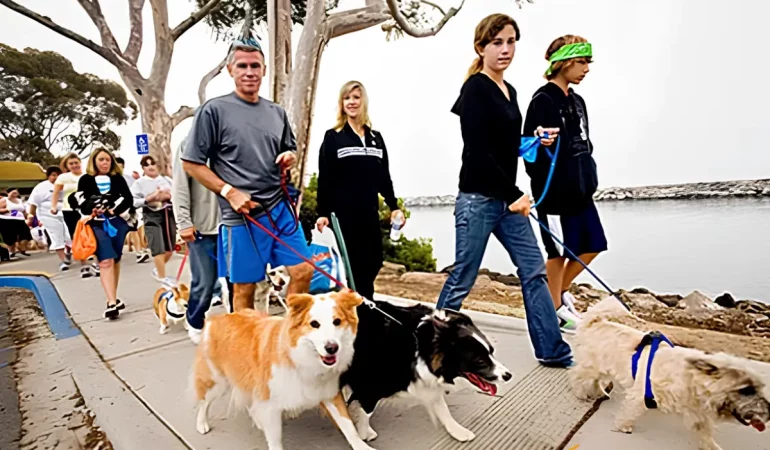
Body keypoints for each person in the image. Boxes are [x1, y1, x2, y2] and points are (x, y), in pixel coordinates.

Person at [434, 13, 573, 368]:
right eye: (497, 42)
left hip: (506, 201)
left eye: (511, 41)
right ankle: (428, 346)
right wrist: (514, 194)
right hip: (479, 200)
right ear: (481, 47)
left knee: (534, 271)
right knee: (463, 277)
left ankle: (553, 352)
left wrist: (535, 141)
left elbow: (506, 146)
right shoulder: (476, 89)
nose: (505, 49)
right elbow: (478, 155)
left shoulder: (510, 92)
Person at [182, 37, 312, 312]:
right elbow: (191, 164)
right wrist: (229, 192)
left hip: (280, 208)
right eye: (242, 66)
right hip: (242, 215)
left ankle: (292, 340)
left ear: (264, 70)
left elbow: (289, 148)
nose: (250, 72)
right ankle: (244, 350)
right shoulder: (214, 111)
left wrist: (289, 157)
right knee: (245, 289)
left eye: (256, 65)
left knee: (303, 271)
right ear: (230, 70)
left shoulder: (277, 112)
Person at [523, 35, 605, 334]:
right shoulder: (542, 100)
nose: (586, 69)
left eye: (588, 62)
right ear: (565, 62)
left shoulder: (578, 101)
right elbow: (526, 149)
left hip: (582, 192)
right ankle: (555, 309)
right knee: (557, 253)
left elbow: (584, 143)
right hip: (555, 193)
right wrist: (538, 142)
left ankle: (556, 295)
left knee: (594, 245)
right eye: (581, 62)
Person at [315, 80, 404, 300]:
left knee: (373, 262)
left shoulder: (376, 138)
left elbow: (384, 177)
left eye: (356, 97)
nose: (352, 102)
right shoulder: (333, 137)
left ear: (363, 101)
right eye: (347, 98)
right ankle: (360, 316)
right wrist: (323, 213)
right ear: (341, 103)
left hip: (369, 215)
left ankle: (363, 311)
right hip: (343, 217)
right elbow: (325, 179)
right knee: (352, 270)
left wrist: (393, 206)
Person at [173, 136, 224, 344]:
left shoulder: (233, 139)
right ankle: (195, 319)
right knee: (204, 282)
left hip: (234, 224)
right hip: (203, 226)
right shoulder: (189, 144)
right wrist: (184, 222)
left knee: (236, 283)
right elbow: (180, 186)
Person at [76, 148, 133, 319]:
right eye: (101, 159)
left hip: (116, 223)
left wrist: (114, 209)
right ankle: (111, 303)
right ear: (94, 161)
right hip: (95, 224)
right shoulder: (85, 180)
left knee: (115, 259)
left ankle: (113, 297)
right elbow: (80, 202)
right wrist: (92, 209)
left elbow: (128, 199)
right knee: (105, 260)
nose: (105, 163)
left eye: (108, 160)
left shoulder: (118, 179)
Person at [131, 155, 177, 286]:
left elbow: (176, 193)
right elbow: (133, 201)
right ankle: (163, 278)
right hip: (151, 214)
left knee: (170, 248)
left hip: (168, 214)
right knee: (158, 247)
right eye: (147, 165)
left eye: (153, 164)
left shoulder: (166, 180)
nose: (150, 167)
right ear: (143, 168)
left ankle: (158, 269)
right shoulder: (139, 183)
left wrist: (168, 196)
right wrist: (149, 199)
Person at [52, 153, 99, 278]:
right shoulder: (63, 178)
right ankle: (84, 266)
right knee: (78, 237)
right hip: (69, 210)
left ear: (80, 162)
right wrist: (54, 206)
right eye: (71, 164)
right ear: (67, 166)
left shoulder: (88, 176)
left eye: (76, 163)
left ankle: (97, 263)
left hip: (87, 209)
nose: (74, 165)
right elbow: (56, 193)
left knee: (94, 235)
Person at [28, 166, 72, 271]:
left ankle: (68, 252)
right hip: (47, 214)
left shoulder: (64, 185)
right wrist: (31, 216)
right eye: (53, 175)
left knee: (68, 236)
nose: (56, 177)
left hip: (64, 212)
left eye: (58, 175)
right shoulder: (41, 187)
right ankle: (63, 261)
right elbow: (33, 203)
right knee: (56, 236)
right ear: (48, 176)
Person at [116, 157, 150, 264]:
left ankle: (139, 252)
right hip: (114, 208)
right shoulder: (110, 178)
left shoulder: (129, 178)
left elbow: (134, 191)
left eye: (120, 167)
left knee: (133, 228)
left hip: (127, 207)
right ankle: (116, 253)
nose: (119, 169)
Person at [0, 188, 32, 257]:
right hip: (7, 220)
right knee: (10, 237)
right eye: (12, 192)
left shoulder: (20, 201)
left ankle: (22, 248)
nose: (14, 193)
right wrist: (7, 210)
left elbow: (23, 211)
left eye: (16, 192)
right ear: (8, 193)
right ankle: (11, 251)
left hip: (19, 220)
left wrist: (28, 215)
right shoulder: (4, 200)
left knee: (26, 234)